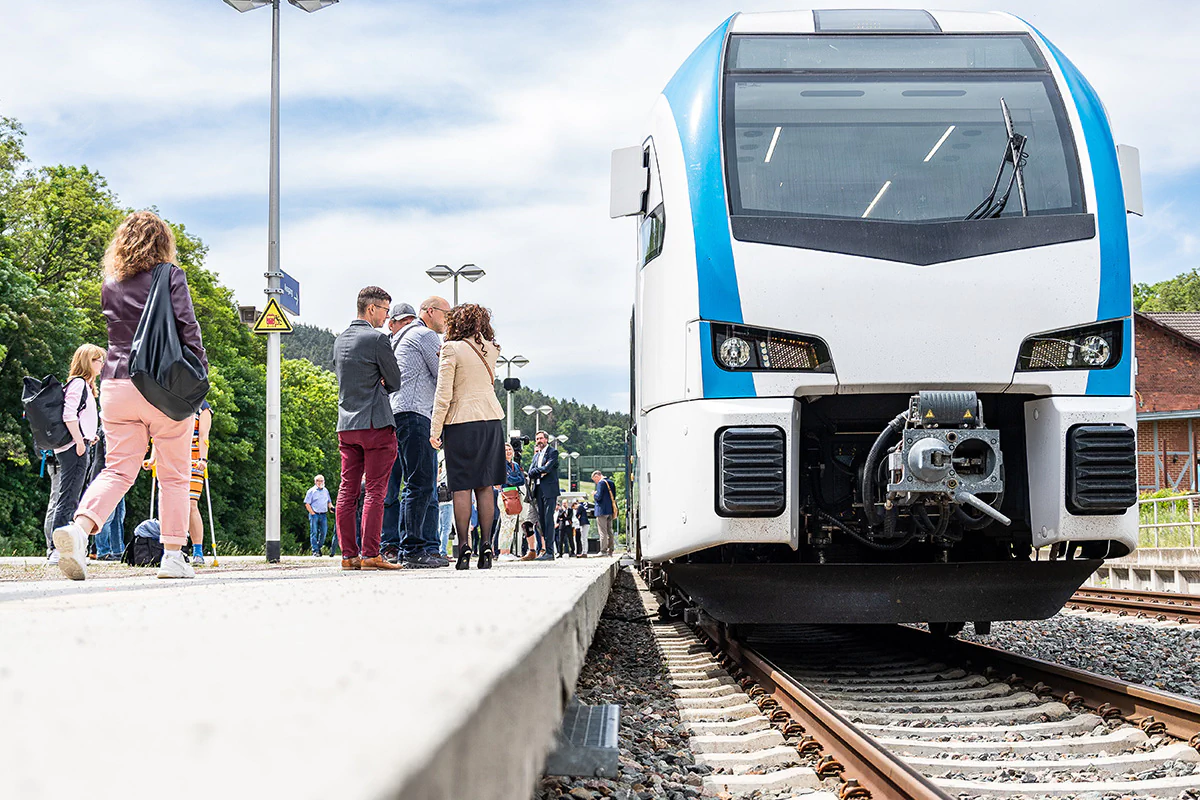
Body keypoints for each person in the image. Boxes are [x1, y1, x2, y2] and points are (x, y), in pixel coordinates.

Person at [52, 211, 208, 581]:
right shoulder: (170, 275)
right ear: (163, 242)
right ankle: (172, 557)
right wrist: (199, 371)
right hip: (162, 386)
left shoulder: (111, 282)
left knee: (118, 469)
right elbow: (188, 326)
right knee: (174, 474)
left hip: (115, 385)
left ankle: (79, 529)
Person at [332, 286, 404, 571]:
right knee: (375, 491)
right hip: (375, 423)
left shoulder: (339, 341)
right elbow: (395, 380)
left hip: (346, 425)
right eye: (386, 311)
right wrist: (382, 384)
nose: (387, 318)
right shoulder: (377, 339)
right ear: (371, 308)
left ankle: (348, 556)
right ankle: (371, 554)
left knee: (347, 490)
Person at [429, 303, 506, 571]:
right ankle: (486, 545)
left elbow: (443, 394)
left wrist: (435, 429)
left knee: (461, 486)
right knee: (485, 486)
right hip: (491, 420)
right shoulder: (493, 349)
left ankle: (464, 547)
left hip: (461, 421)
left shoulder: (451, 348)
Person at [392, 297, 452, 569]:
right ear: (430, 312)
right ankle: (414, 549)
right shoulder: (425, 335)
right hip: (416, 413)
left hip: (402, 414)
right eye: (446, 315)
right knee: (419, 483)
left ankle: (427, 546)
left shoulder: (405, 335)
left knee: (421, 483)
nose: (447, 321)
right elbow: (443, 376)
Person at [44, 344, 105, 564]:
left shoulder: (84, 385)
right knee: (67, 497)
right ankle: (57, 550)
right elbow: (69, 415)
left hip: (80, 443)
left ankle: (66, 548)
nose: (101, 365)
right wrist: (80, 441)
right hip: (74, 447)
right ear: (88, 362)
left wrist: (89, 435)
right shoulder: (78, 384)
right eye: (98, 361)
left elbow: (80, 416)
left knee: (72, 496)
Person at [381, 301, 418, 560]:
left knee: (404, 487)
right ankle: (390, 544)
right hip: (388, 419)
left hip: (401, 417)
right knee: (390, 489)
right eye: (401, 322)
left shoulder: (412, 342)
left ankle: (399, 544)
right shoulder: (385, 345)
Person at [527, 430, 560, 560]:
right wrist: (539, 472)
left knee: (548, 519)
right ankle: (546, 550)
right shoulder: (536, 455)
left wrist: (540, 471)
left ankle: (550, 552)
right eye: (537, 439)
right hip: (538, 489)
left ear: (546, 439)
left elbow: (548, 468)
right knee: (541, 521)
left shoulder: (553, 452)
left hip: (550, 490)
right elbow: (530, 472)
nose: (539, 441)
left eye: (541, 438)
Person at [187, 400, 212, 566]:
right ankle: (173, 549)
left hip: (193, 459)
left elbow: (203, 435)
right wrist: (154, 458)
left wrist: (203, 459)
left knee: (190, 504)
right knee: (171, 504)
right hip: (171, 457)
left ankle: (197, 550)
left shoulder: (202, 407)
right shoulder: (170, 400)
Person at [498, 443, 528, 559]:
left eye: (509, 449)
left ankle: (508, 550)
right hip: (505, 494)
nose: (508, 452)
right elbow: (507, 479)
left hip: (515, 494)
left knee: (511, 525)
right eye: (505, 450)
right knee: (505, 524)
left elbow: (521, 480)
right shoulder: (500, 465)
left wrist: (513, 479)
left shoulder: (515, 465)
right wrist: (514, 479)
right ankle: (503, 552)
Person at [305, 474, 332, 557]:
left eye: (321, 481)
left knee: (324, 532)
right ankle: (315, 551)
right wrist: (312, 513)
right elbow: (307, 503)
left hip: (323, 514)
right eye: (318, 481)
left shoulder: (325, 491)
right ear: (315, 482)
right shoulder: (311, 491)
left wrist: (332, 508)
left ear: (324, 481)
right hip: (314, 514)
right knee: (314, 532)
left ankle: (318, 547)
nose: (320, 482)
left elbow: (329, 502)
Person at [592, 470, 618, 556]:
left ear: (597, 476)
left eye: (594, 480)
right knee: (610, 530)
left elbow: (599, 497)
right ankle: (611, 550)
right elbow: (613, 496)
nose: (595, 482)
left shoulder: (601, 483)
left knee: (602, 531)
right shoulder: (611, 482)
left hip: (601, 511)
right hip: (610, 510)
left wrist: (594, 494)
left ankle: (603, 550)